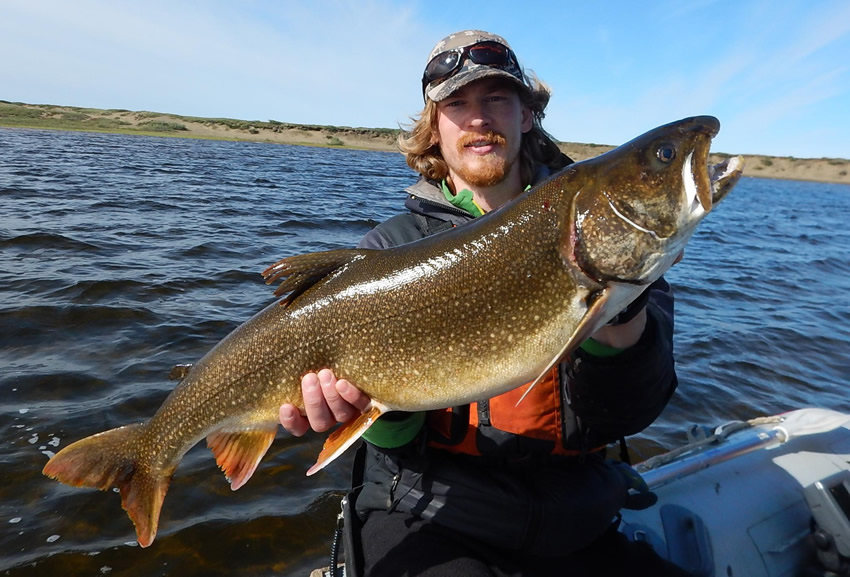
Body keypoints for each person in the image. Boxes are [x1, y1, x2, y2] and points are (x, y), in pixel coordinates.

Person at [282, 30, 691, 576]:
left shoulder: (597, 231)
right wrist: (371, 406)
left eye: (497, 99)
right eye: (457, 103)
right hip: (433, 516)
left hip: (578, 516)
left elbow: (633, 413)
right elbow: (397, 446)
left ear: (526, 115)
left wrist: (621, 318)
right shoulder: (388, 248)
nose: (479, 118)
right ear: (435, 127)